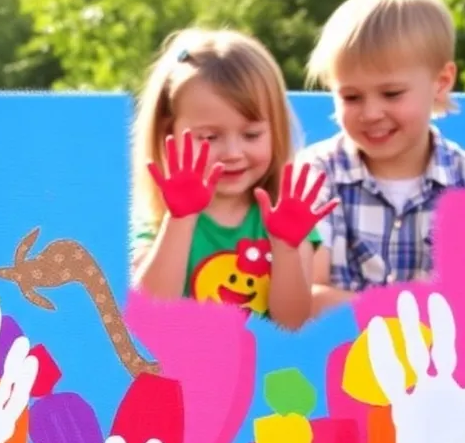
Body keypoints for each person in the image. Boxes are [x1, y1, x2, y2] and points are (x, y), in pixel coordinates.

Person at [131, 28, 334, 330]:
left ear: (275, 132)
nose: (233, 152)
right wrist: (180, 220)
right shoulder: (157, 220)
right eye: (210, 137)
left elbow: (292, 323)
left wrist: (286, 248)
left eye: (251, 135)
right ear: (167, 134)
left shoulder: (286, 218)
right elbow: (151, 313)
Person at [301, 0, 465, 315]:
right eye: (351, 96)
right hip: (337, 362)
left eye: (392, 94)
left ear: (440, 83)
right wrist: (410, 312)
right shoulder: (316, 174)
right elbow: (304, 297)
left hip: (441, 364)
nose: (371, 113)